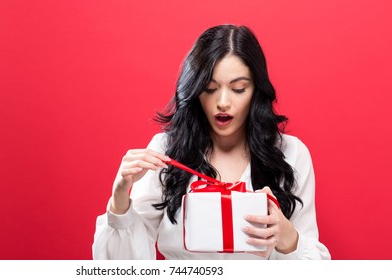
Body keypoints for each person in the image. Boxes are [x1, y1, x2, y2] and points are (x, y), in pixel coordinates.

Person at [92, 24, 331, 260]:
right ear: (195, 91)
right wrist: (120, 198)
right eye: (210, 88)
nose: (223, 102)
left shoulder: (291, 153)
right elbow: (122, 268)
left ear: (256, 91)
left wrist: (288, 238)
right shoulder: (165, 152)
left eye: (238, 89)